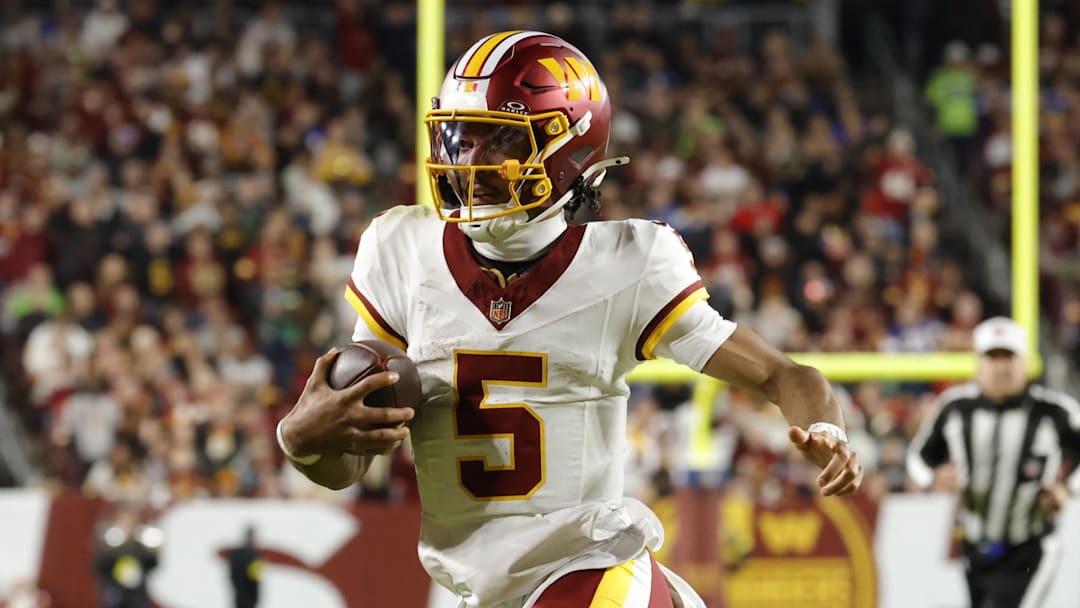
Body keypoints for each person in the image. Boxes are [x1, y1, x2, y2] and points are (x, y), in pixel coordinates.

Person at [277, 31, 863, 608]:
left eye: (499, 142)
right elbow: (349, 460)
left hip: (588, 567)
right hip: (482, 592)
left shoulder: (630, 264)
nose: (468, 161)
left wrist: (827, 431)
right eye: (461, 137)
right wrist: (301, 440)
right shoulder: (400, 249)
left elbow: (784, 375)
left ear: (569, 151)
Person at [907, 316, 1080, 608]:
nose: (1001, 366)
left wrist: (1067, 488)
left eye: (1008, 356)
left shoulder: (1053, 411)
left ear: (1024, 362)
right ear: (979, 362)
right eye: (992, 356)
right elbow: (919, 455)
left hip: (1029, 544)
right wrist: (932, 479)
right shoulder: (955, 407)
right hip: (974, 546)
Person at [226, 526, 263, 608]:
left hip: (249, 597)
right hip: (244, 597)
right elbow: (234, 576)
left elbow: (256, 578)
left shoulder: (254, 555)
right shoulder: (241, 554)